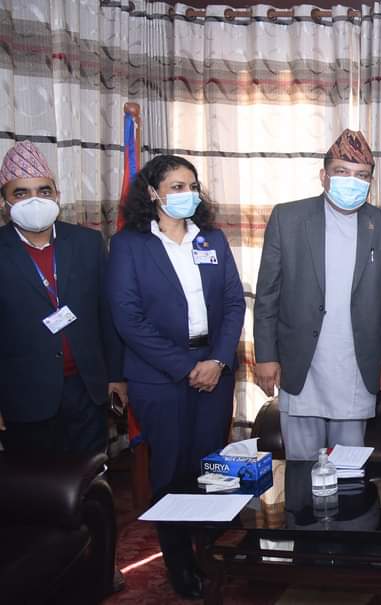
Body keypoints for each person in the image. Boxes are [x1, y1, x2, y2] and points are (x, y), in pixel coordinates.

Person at [107, 155, 245, 599]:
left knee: (209, 468)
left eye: (192, 185)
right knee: (170, 471)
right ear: (153, 192)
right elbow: (128, 318)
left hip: (215, 369)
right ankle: (180, 564)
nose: (188, 194)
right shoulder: (129, 245)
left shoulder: (212, 239)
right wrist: (186, 367)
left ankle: (209, 555)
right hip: (159, 375)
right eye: (176, 186)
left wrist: (217, 360)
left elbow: (234, 303)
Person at [253, 129, 381, 461]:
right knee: (302, 465)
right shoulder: (287, 218)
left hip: (356, 362)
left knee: (348, 466)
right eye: (342, 172)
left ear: (370, 182)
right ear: (323, 176)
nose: (352, 181)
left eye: (361, 175)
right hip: (302, 362)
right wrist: (265, 355)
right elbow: (267, 295)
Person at [0, 141, 125, 454]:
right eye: (21, 193)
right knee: (34, 480)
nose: (35, 200)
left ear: (57, 195)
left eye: (43, 191)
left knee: (92, 476)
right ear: (4, 202)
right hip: (22, 396)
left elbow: (106, 314)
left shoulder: (87, 242)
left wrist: (116, 376)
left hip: (87, 390)